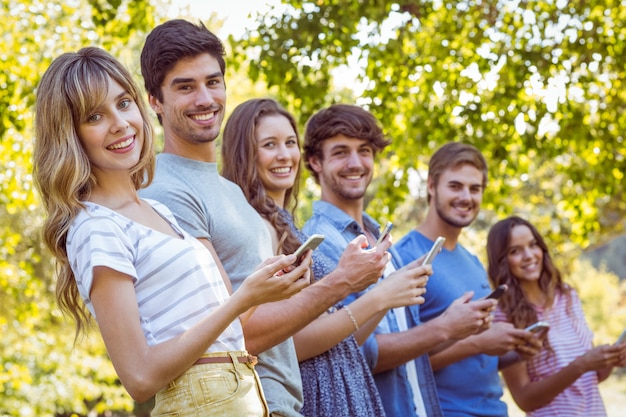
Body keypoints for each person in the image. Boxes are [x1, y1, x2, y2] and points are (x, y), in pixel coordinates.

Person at [32, 47, 312, 416]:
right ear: (71, 134)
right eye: (95, 115)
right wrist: (242, 300)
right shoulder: (96, 227)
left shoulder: (157, 210)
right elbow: (139, 375)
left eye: (124, 103)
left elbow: (211, 323)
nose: (120, 123)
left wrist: (263, 287)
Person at [138, 20, 391, 417]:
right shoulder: (166, 191)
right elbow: (232, 331)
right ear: (155, 100)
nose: (205, 98)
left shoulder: (231, 194)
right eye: (185, 87)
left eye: (213, 81)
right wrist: (342, 282)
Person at [221, 98, 433, 416]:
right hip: (314, 397)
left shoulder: (288, 227)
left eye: (289, 142)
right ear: (246, 153)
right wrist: (376, 297)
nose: (284, 155)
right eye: (269, 145)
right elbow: (286, 345)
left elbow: (336, 333)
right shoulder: (252, 226)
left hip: (345, 386)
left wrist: (384, 293)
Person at [302, 104, 499, 417]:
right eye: (341, 152)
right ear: (315, 162)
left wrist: (459, 326)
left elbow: (411, 347)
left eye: (364, 151)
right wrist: (446, 327)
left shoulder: (381, 237)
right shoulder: (318, 244)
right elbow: (347, 352)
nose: (355, 163)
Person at [391, 141, 542, 416]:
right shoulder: (405, 257)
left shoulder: (471, 261)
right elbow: (398, 362)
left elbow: (473, 356)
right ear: (431, 186)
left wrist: (514, 349)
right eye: (455, 186)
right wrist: (479, 343)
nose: (466, 197)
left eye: (475, 189)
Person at [487, 215, 626, 416]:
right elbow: (524, 399)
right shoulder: (503, 316)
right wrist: (581, 365)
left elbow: (592, 377)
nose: (528, 255)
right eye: (515, 251)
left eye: (533, 245)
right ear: (502, 261)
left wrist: (611, 360)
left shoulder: (567, 296)